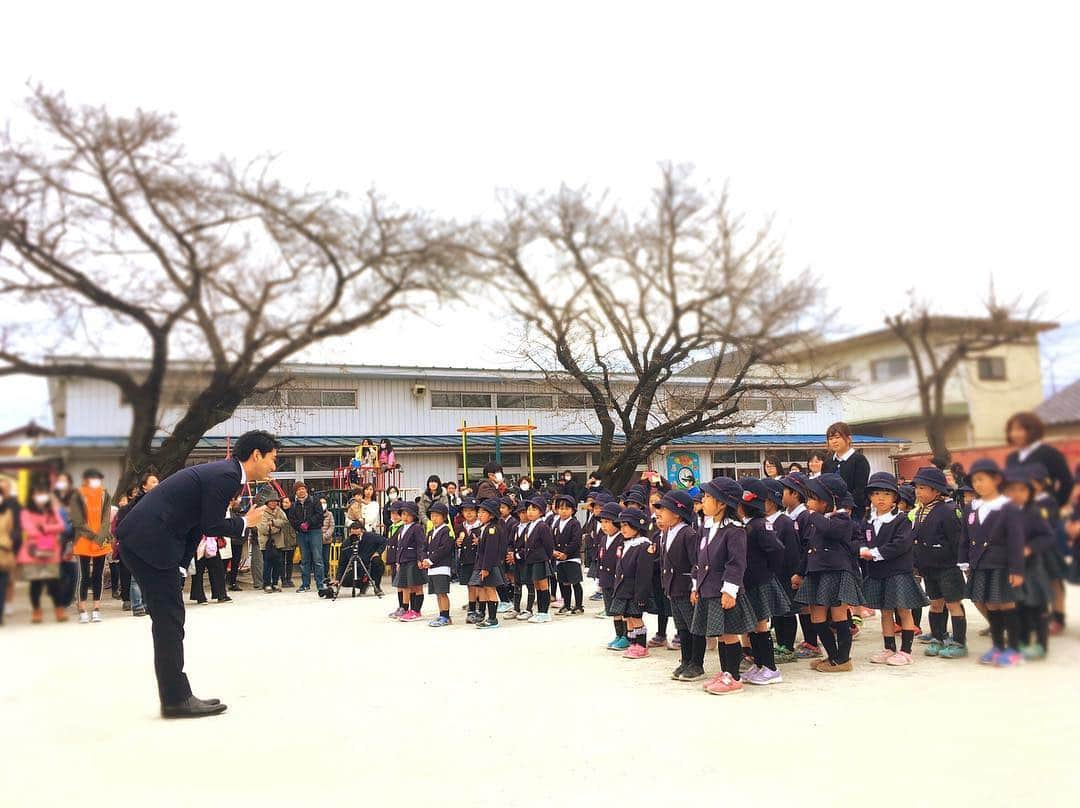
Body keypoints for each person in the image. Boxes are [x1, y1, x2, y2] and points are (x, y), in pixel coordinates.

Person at [116, 429, 279, 718]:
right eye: (272, 459)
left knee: (169, 619)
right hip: (150, 540)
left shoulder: (225, 473)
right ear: (256, 455)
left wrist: (180, 565)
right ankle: (176, 700)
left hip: (148, 539)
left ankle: (175, 697)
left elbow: (194, 523)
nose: (273, 467)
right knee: (169, 620)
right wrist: (245, 523)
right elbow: (212, 524)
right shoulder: (227, 476)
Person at [688, 477, 756, 694]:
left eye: (708, 497)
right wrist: (695, 586)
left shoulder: (734, 529)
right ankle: (725, 671)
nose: (703, 500)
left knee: (729, 634)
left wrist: (729, 590)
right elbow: (698, 560)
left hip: (724, 591)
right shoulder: (707, 527)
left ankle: (733, 676)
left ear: (722, 503)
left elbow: (736, 563)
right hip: (707, 590)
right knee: (719, 633)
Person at [792, 473, 864, 673]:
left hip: (836, 572)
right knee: (817, 617)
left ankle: (843, 659)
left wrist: (812, 515)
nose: (808, 503)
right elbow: (808, 549)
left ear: (827, 500)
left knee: (839, 615)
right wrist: (799, 573)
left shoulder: (841, 518)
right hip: (816, 573)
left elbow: (831, 531)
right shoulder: (817, 520)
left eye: (813, 498)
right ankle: (832, 656)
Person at [960, 459, 1026, 667]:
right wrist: (964, 562)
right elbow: (964, 537)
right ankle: (998, 646)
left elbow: (1016, 540)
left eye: (982, 479)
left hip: (1002, 563)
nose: (978, 484)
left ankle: (1014, 649)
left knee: (1006, 603)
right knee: (989, 603)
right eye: (974, 481)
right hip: (980, 563)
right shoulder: (971, 508)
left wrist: (1016, 569)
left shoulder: (1008, 507)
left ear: (996, 479)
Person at [858, 472, 928, 666]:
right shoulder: (868, 520)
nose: (881, 498)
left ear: (895, 498)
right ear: (870, 496)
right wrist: (863, 548)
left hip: (898, 572)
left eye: (887, 494)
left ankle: (906, 651)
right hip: (877, 572)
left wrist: (874, 553)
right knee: (885, 611)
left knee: (903, 611)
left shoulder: (902, 520)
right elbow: (861, 537)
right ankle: (889, 648)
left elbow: (901, 544)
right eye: (876, 493)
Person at [910, 466, 968, 658]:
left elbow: (956, 540)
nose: (918, 492)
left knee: (953, 604)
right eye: (917, 487)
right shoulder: (919, 512)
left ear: (936, 491)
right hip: (929, 567)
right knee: (935, 603)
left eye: (923, 488)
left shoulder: (948, 511)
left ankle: (959, 642)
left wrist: (962, 562)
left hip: (947, 567)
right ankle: (938, 636)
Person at [737, 479, 790, 685]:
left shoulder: (760, 525)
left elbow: (777, 550)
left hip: (760, 582)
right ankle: (759, 664)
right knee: (754, 626)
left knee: (761, 625)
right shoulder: (747, 525)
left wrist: (769, 571)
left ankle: (770, 668)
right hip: (751, 582)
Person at [1003, 466, 1054, 660]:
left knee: (1037, 606)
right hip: (1012, 567)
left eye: (1021, 490)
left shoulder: (1033, 512)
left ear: (1030, 492)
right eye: (1011, 490)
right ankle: (1022, 640)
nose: (1016, 494)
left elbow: (1047, 536)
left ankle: (1041, 644)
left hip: (1032, 568)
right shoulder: (1005, 513)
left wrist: (1029, 548)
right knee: (1019, 607)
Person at [654, 490, 701, 681]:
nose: (660, 514)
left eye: (663, 510)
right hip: (672, 587)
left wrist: (695, 587)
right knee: (681, 626)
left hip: (685, 586)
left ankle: (697, 663)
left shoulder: (688, 533)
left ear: (676, 512)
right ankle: (686, 659)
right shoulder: (665, 533)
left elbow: (695, 562)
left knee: (693, 627)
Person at [609, 507, 657, 659]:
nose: (622, 529)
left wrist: (641, 597)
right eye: (621, 525)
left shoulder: (644, 546)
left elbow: (644, 575)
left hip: (635, 591)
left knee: (636, 618)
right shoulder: (626, 544)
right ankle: (633, 643)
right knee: (628, 617)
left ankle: (641, 646)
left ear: (637, 526)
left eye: (626, 525)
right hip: (624, 590)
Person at [762, 479, 800, 664]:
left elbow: (792, 551)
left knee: (788, 611)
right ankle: (780, 642)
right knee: (776, 611)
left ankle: (788, 646)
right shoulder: (762, 522)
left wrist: (794, 573)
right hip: (770, 576)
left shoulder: (784, 522)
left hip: (785, 575)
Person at [70, 468, 113, 624]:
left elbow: (106, 518)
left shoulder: (104, 494)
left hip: (100, 541)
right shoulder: (78, 494)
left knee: (98, 575)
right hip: (83, 540)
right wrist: (94, 537)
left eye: (98, 478)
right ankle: (82, 609)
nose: (96, 481)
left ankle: (96, 609)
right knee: (83, 576)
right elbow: (77, 521)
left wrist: (100, 537)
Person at [18, 485, 66, 623]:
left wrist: (45, 527)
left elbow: (61, 526)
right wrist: (49, 530)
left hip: (51, 552)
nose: (41, 497)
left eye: (43, 494)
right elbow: (29, 529)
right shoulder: (26, 512)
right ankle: (36, 611)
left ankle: (59, 610)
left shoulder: (52, 511)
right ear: (32, 496)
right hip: (33, 553)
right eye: (38, 493)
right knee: (36, 583)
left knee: (54, 583)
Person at [1005, 412, 1074, 507]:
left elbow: (1067, 482)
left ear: (1032, 430)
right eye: (1011, 430)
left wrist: (1056, 505)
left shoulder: (1050, 453)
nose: (1014, 434)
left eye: (1019, 430)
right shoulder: (1011, 458)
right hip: (1017, 511)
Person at [468, 499, 508, 629]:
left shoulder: (492, 529)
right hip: (483, 564)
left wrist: (485, 568)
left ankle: (492, 619)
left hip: (490, 565)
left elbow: (490, 551)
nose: (480, 515)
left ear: (491, 515)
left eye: (483, 512)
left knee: (490, 590)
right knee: (484, 588)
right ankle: (487, 616)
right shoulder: (485, 528)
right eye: (479, 512)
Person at [823, 422, 870, 520]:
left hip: (854, 512)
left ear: (849, 439)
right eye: (831, 439)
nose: (834, 441)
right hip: (830, 512)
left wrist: (848, 505)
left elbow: (860, 488)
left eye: (837, 437)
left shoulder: (859, 460)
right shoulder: (827, 463)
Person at [596, 501, 627, 648]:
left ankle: (626, 636)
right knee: (613, 610)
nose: (604, 525)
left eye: (607, 521)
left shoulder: (622, 539)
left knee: (622, 610)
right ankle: (618, 634)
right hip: (606, 580)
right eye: (602, 521)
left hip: (618, 581)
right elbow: (600, 558)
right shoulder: (603, 539)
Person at [286, 481, 324, 594]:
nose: (301, 491)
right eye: (298, 489)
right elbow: (291, 519)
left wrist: (309, 523)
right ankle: (305, 584)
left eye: (302, 488)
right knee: (305, 560)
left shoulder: (315, 501)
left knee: (317, 559)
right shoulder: (294, 505)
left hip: (315, 531)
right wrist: (299, 526)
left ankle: (320, 584)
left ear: (306, 489)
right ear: (295, 492)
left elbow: (319, 515)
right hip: (301, 534)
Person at [393, 500, 428, 622]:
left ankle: (416, 610)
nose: (405, 517)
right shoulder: (402, 528)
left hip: (413, 560)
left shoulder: (417, 527)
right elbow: (399, 546)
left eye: (408, 514)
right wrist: (398, 561)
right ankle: (408, 609)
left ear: (414, 516)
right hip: (404, 560)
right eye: (403, 514)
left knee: (416, 585)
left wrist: (420, 558)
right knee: (407, 585)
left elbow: (421, 544)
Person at [523, 497, 556, 623]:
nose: (530, 512)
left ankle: (544, 612)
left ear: (541, 512)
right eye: (529, 509)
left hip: (540, 560)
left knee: (543, 586)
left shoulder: (542, 526)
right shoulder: (529, 526)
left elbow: (549, 545)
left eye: (534, 509)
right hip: (531, 560)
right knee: (536, 585)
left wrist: (546, 559)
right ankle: (540, 611)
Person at [422, 503, 454, 627]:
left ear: (444, 517)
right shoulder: (430, 532)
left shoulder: (446, 531)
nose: (434, 518)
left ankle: (446, 616)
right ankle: (441, 614)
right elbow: (424, 547)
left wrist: (430, 560)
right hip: (432, 568)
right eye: (432, 516)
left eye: (437, 516)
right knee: (437, 593)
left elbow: (444, 549)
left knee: (442, 593)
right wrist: (424, 559)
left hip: (441, 567)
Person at [552, 493, 584, 615]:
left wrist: (566, 553)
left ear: (573, 510)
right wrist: (554, 552)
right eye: (561, 508)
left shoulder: (574, 523)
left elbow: (576, 540)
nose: (563, 511)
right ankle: (566, 604)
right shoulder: (555, 524)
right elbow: (552, 539)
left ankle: (579, 605)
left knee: (575, 582)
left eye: (566, 508)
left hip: (572, 558)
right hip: (559, 558)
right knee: (563, 583)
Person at [455, 497, 484, 623]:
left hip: (477, 560)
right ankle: (472, 609)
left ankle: (480, 609)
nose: (468, 513)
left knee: (479, 586)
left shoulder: (481, 526)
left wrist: (480, 542)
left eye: (472, 510)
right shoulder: (460, 527)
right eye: (465, 510)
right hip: (465, 560)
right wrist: (457, 542)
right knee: (469, 585)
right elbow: (455, 544)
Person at [320, 496, 335, 580]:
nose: (323, 504)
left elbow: (332, 526)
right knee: (318, 559)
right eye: (321, 503)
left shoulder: (330, 514)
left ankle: (326, 575)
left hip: (327, 540)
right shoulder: (316, 513)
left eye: (324, 502)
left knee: (326, 558)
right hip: (317, 540)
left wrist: (326, 535)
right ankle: (319, 575)